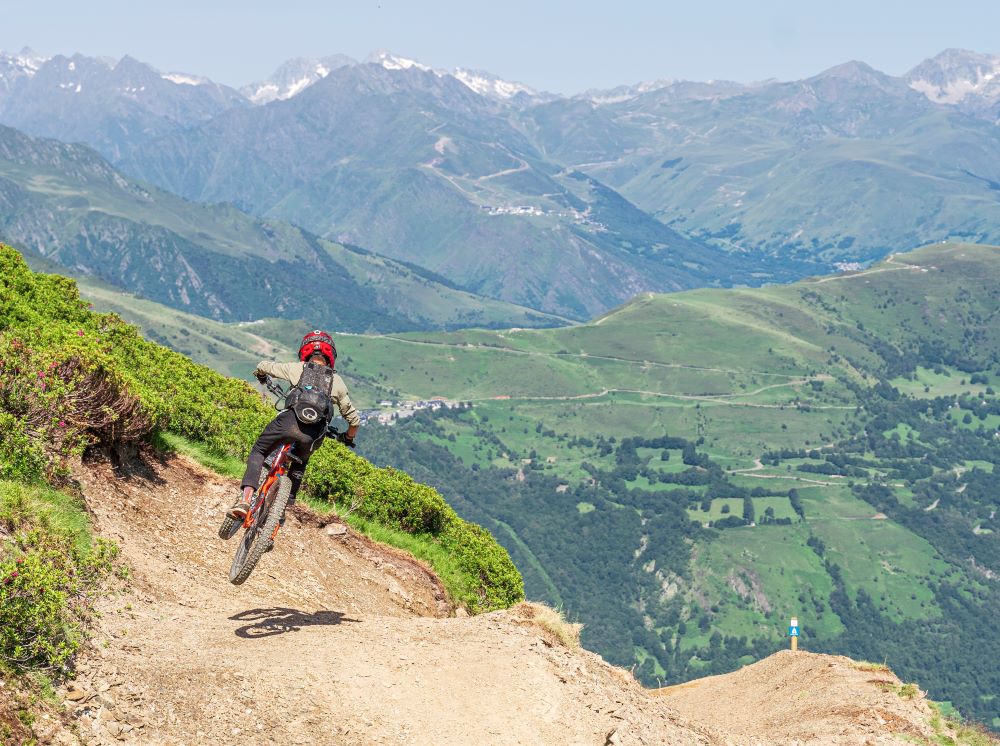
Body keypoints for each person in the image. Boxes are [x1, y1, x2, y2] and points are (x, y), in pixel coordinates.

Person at [227, 330, 360, 521]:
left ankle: (245, 500)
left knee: (259, 451)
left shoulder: (297, 368)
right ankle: (281, 510)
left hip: (287, 422)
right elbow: (354, 420)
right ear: (331, 357)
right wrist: (348, 437)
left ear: (305, 353)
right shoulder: (337, 382)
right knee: (300, 462)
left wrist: (262, 376)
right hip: (313, 434)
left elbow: (263, 365)